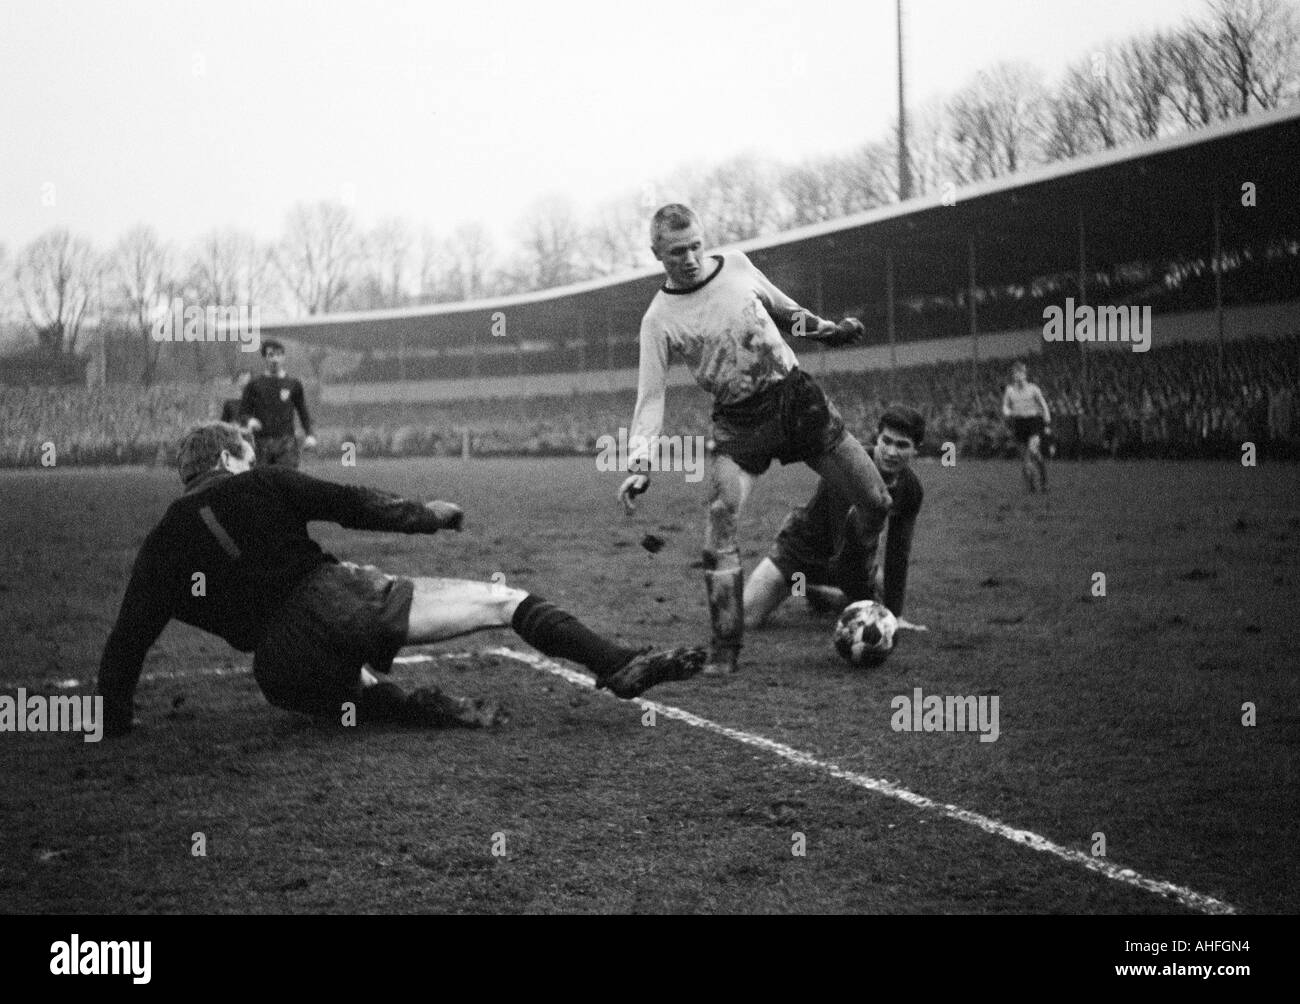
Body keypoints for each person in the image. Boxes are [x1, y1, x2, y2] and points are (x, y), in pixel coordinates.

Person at [96, 422, 705, 738]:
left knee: (351, 684)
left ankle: (420, 707)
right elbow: (352, 502)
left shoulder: (158, 548)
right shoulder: (261, 482)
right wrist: (426, 516)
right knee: (500, 600)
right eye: (245, 458)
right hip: (336, 602)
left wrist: (116, 719)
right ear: (229, 460)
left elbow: (126, 643)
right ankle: (615, 663)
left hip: (281, 669)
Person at [617, 204, 892, 676]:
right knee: (720, 518)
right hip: (740, 422)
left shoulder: (738, 265)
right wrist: (640, 464)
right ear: (656, 253)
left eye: (695, 246)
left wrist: (830, 333)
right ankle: (724, 653)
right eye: (676, 252)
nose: (689, 258)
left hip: (796, 399)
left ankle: (847, 565)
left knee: (876, 502)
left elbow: (788, 315)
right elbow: (651, 396)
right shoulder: (658, 319)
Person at [744, 405, 926, 640]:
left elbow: (898, 553)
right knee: (747, 618)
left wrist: (895, 615)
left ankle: (818, 592)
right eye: (886, 441)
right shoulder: (851, 465)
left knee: (882, 594)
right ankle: (806, 584)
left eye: (902, 445)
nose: (891, 452)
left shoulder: (911, 490)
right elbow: (844, 544)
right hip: (803, 548)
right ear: (877, 438)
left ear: (916, 450)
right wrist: (862, 591)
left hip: (852, 558)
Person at [239, 339, 316, 468]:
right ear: (264, 357)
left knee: (287, 483)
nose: (275, 359)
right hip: (261, 444)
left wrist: (309, 434)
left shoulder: (293, 384)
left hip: (287, 443)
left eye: (279, 355)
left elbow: (303, 412)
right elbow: (243, 413)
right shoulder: (254, 385)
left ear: (283, 357)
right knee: (263, 485)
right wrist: (249, 421)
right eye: (271, 355)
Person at [1001, 360, 1051, 492]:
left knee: (1033, 451)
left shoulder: (1033, 389)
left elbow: (1043, 404)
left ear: (1025, 374)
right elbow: (1005, 405)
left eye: (1020, 373)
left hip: (1033, 422)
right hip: (1019, 423)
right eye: (1015, 373)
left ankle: (1044, 480)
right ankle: (1032, 484)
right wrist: (1008, 412)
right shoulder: (1010, 390)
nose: (1018, 376)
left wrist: (1047, 418)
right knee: (1025, 458)